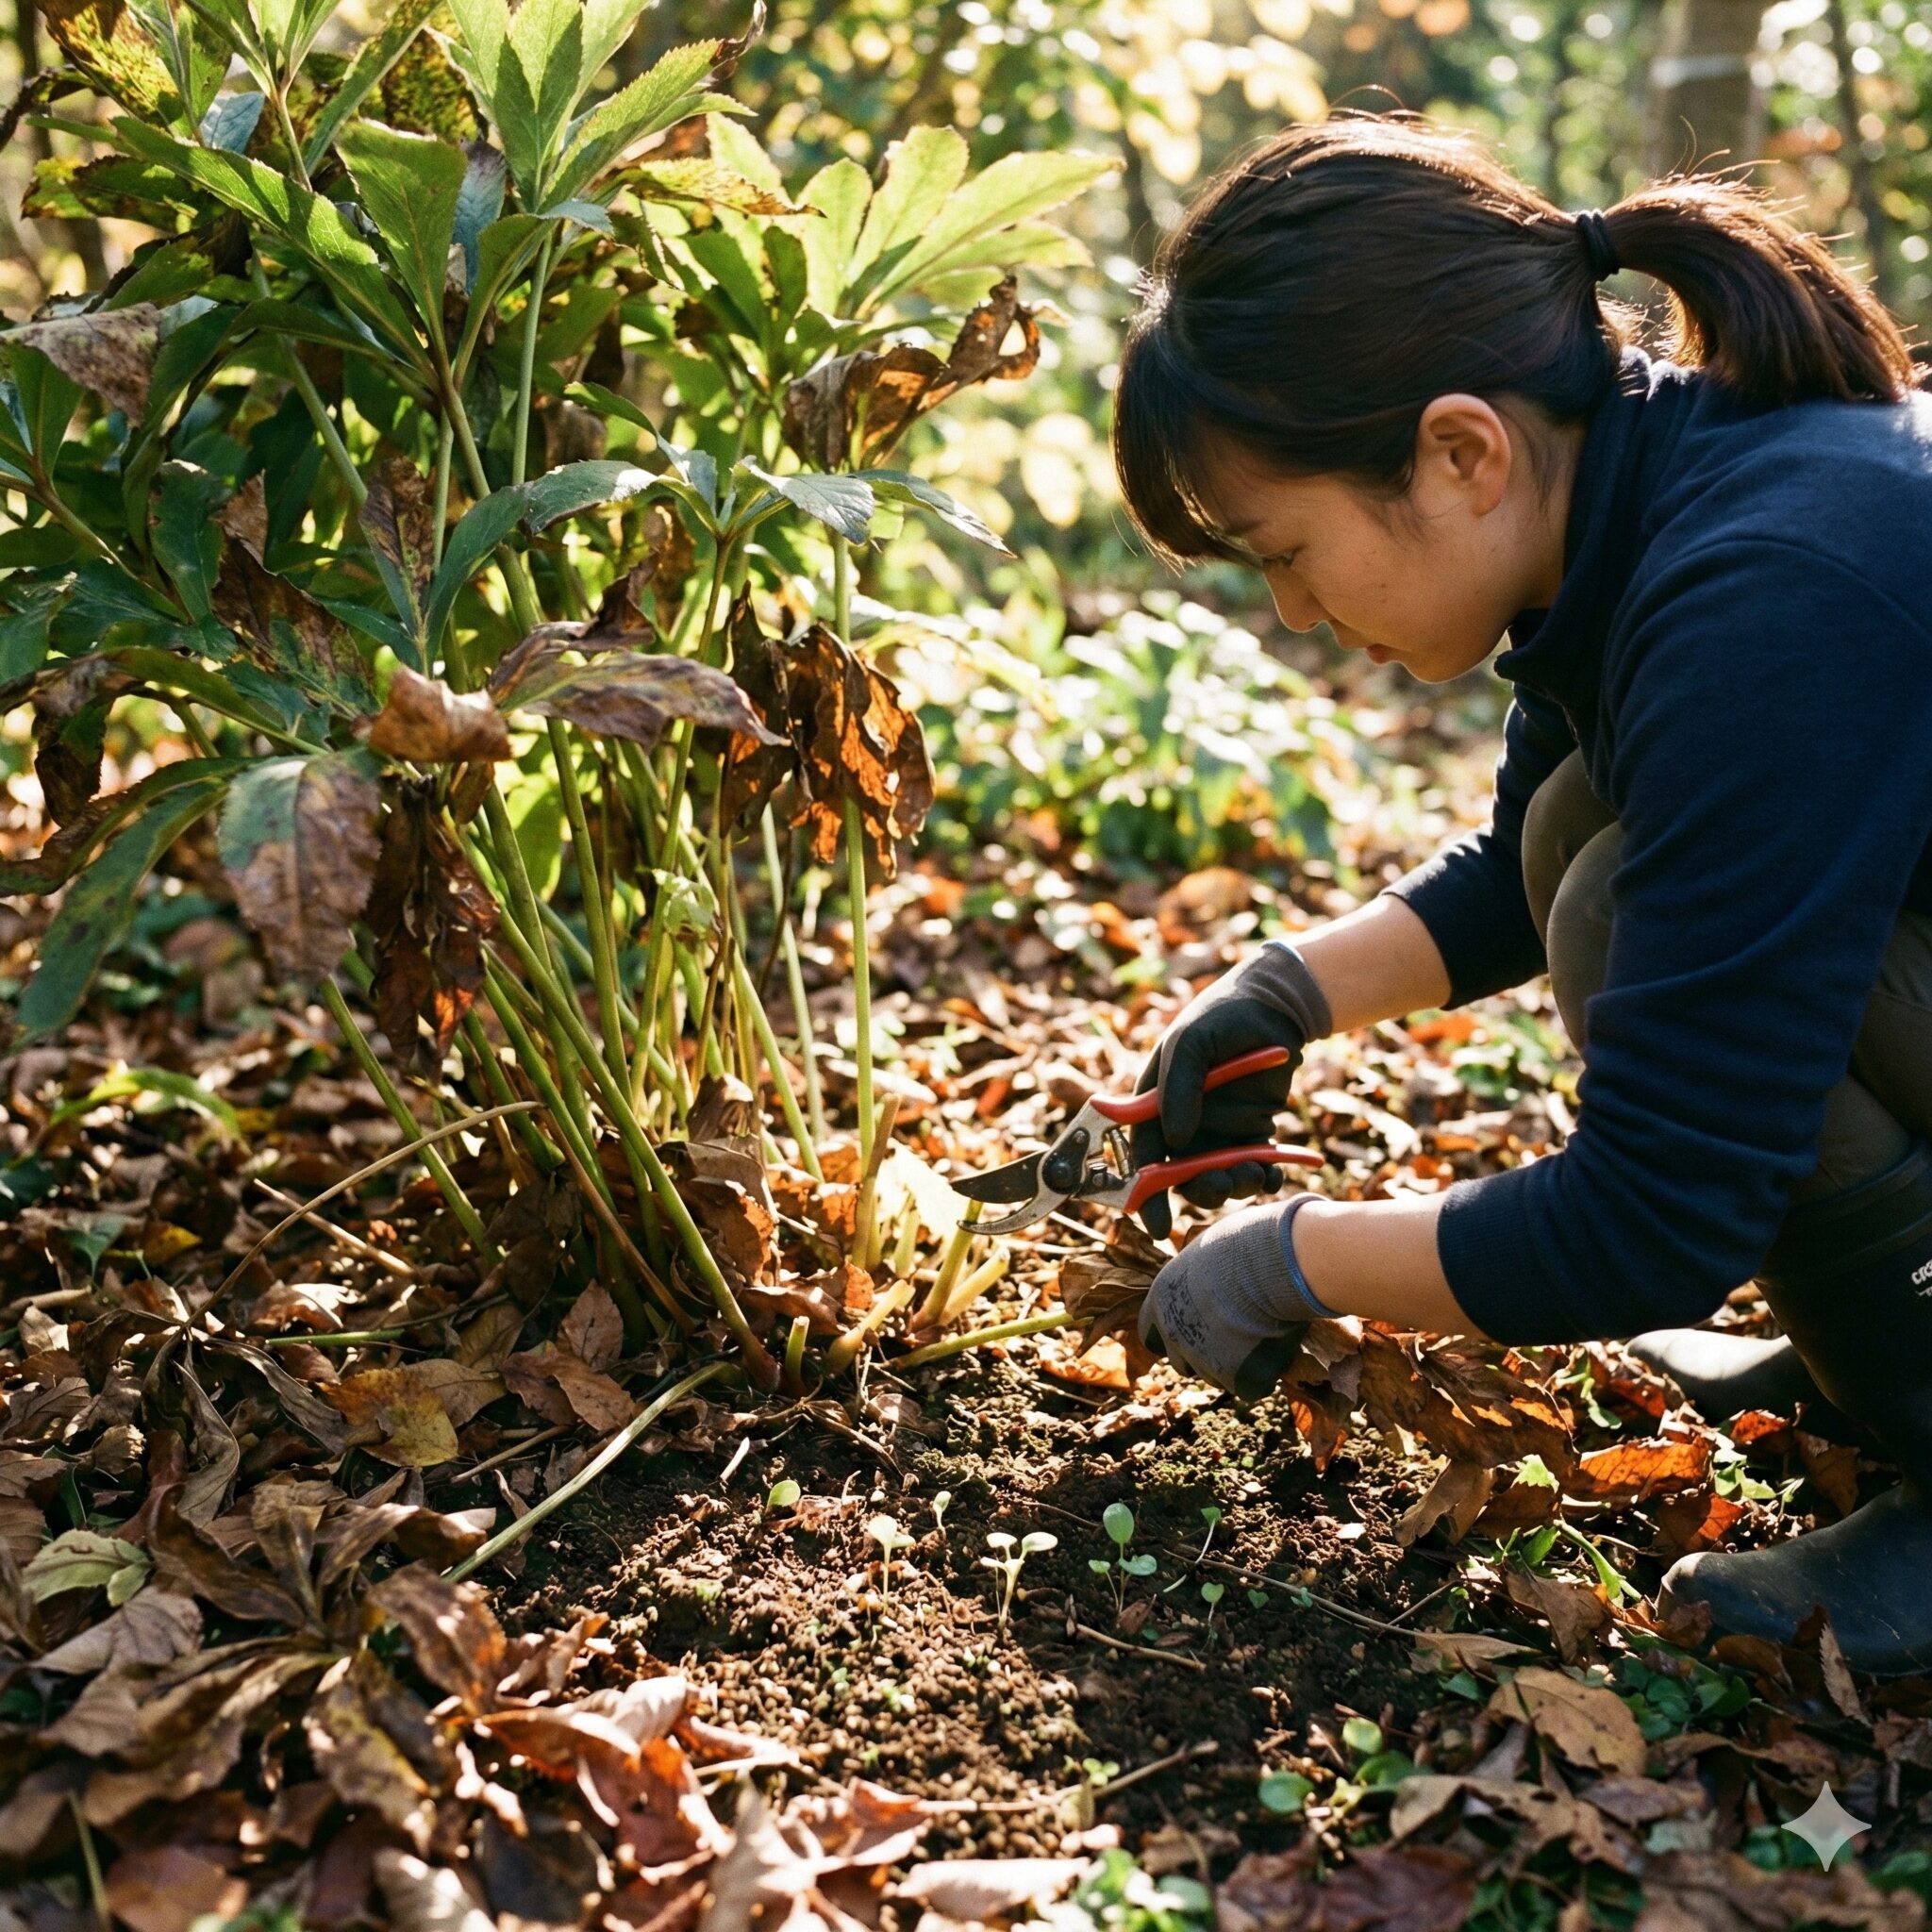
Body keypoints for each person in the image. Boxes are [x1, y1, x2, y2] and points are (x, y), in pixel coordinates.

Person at [1109, 115, 1932, 1674]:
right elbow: (1514, 871)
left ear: (1460, 451)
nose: (1290, 610)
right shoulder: (1652, 499)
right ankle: (1868, 1353)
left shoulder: (1773, 591)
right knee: (1581, 840)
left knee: (1617, 903)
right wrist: (1283, 995)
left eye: (1285, 553)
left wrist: (1292, 1255)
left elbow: (1658, 1215)